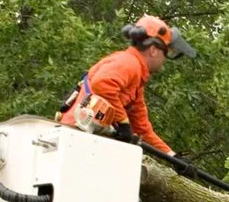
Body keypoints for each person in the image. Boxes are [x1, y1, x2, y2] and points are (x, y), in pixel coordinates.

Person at [59, 15, 196, 169]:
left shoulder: (136, 81)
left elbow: (142, 128)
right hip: (75, 137)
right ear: (153, 50)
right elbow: (102, 84)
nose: (164, 60)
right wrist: (123, 123)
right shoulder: (129, 63)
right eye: (165, 53)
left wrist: (173, 157)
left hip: (84, 140)